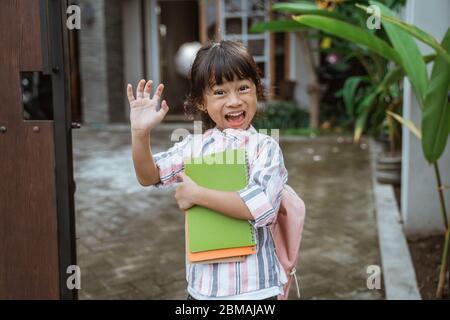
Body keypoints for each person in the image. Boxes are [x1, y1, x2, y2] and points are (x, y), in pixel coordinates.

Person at [127, 40, 288, 300]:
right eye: (220, 92)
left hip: (256, 289)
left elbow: (263, 209)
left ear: (256, 91)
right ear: (202, 102)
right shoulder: (193, 146)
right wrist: (140, 133)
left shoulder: (265, 147)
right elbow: (149, 175)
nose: (234, 100)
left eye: (243, 88)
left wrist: (196, 195)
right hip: (203, 290)